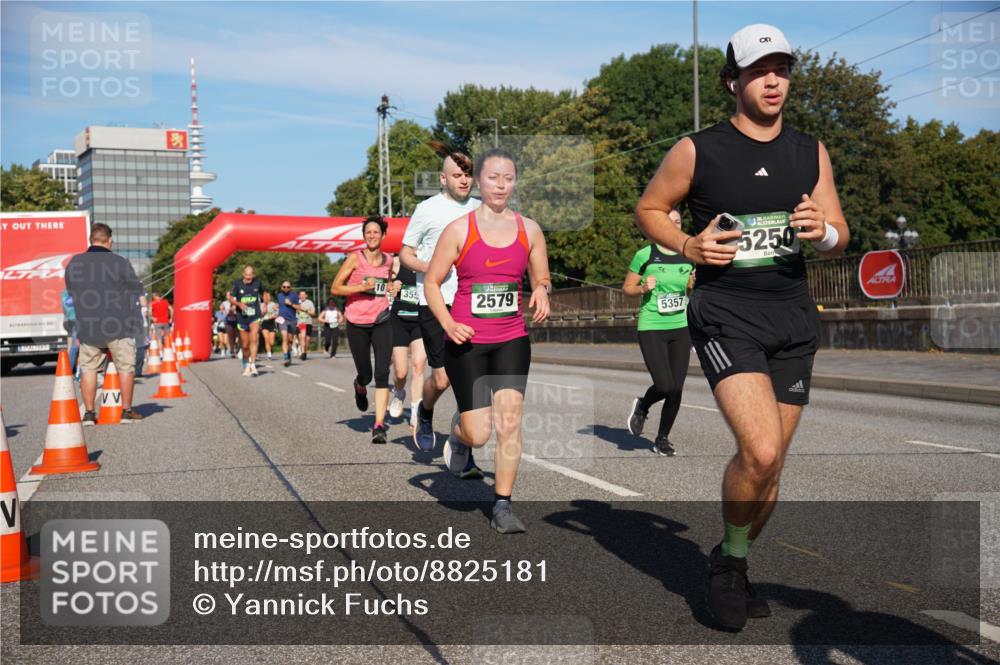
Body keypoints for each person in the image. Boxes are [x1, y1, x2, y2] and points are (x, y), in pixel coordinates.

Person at [635, 24, 849, 631]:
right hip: (727, 315)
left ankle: (733, 555)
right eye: (759, 70)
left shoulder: (810, 151)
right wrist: (687, 245)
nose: (773, 79)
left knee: (772, 464)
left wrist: (821, 232)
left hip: (792, 316)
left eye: (781, 67)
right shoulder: (698, 149)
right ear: (733, 81)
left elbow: (839, 235)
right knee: (758, 449)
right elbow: (649, 208)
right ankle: (729, 567)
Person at [425, 148, 551, 533]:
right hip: (467, 341)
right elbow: (432, 282)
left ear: (515, 182)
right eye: (493, 178)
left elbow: (541, 276)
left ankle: (502, 505)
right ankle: (459, 436)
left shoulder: (529, 229)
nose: (501, 185)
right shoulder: (459, 230)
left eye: (508, 178)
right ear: (479, 182)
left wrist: (542, 290)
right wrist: (447, 323)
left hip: (512, 337)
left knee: (510, 421)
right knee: (479, 432)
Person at [400, 142, 480, 451]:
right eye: (457, 174)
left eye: (468, 174)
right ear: (443, 178)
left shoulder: (479, 209)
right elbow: (405, 254)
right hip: (434, 300)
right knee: (443, 378)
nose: (464, 180)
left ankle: (464, 442)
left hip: (470, 302)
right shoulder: (427, 209)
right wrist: (431, 267)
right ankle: (426, 410)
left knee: (470, 377)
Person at [624, 209, 695, 456]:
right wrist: (643, 287)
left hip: (680, 327)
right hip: (652, 326)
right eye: (669, 222)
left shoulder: (688, 254)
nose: (674, 225)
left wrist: (692, 284)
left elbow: (690, 285)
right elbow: (627, 288)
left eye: (678, 221)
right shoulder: (646, 255)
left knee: (677, 387)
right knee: (664, 385)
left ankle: (662, 439)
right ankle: (643, 405)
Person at [64, 223, 145, 424]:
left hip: (88, 325)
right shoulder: (119, 262)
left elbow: (71, 290)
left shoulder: (75, 263)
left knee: (89, 368)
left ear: (91, 240)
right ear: (109, 240)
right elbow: (135, 290)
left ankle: (89, 413)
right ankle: (126, 411)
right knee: (126, 367)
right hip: (117, 325)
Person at [332, 216, 395, 444]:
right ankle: (359, 385)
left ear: (383, 235)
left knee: (382, 373)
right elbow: (336, 287)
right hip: (357, 321)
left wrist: (391, 289)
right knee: (366, 374)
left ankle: (379, 425)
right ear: (363, 235)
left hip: (382, 318)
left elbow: (386, 286)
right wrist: (361, 286)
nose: (371, 236)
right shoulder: (354, 258)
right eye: (368, 232)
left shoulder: (388, 260)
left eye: (376, 232)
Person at [388, 256, 426, 427]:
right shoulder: (397, 262)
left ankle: (416, 411)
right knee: (401, 372)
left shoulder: (431, 261)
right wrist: (391, 285)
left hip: (421, 321)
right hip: (400, 321)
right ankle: (399, 392)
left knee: (418, 366)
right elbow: (383, 282)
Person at [228, 265, 264, 377]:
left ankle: (253, 365)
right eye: (247, 275)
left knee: (254, 338)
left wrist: (265, 304)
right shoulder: (237, 284)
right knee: (244, 345)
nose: (249, 277)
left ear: (253, 274)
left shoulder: (258, 282)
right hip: (242, 317)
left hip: (255, 316)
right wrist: (239, 304)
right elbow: (230, 298)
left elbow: (264, 294)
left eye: (251, 275)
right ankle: (247, 363)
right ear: (243, 274)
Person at [276, 281, 300, 367]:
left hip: (292, 319)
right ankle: (286, 357)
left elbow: (299, 307)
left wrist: (291, 304)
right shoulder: (279, 295)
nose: (286, 288)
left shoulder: (294, 295)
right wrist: (276, 307)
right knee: (284, 338)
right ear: (281, 287)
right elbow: (279, 305)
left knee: (290, 340)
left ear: (291, 287)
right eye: (284, 287)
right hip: (282, 319)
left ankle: (288, 353)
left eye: (288, 287)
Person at [60, 288, 79, 378]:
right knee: (76, 347)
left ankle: (66, 369)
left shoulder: (65, 291)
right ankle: (69, 371)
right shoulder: (75, 290)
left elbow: (65, 308)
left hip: (68, 321)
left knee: (71, 346)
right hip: (75, 321)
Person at [296, 290, 316, 361]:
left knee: (307, 340)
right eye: (301, 295)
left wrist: (306, 311)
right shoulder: (296, 302)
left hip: (308, 323)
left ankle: (304, 352)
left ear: (306, 296)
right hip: (300, 323)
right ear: (299, 296)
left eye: (303, 295)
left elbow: (314, 313)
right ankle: (302, 352)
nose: (302, 296)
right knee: (302, 337)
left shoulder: (310, 302)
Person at [260, 291, 278, 361]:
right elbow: (258, 315)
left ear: (270, 298)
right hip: (264, 323)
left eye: (268, 296)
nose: (266, 298)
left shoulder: (273, 304)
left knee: (272, 342)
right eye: (265, 297)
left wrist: (273, 316)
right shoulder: (261, 305)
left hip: (272, 323)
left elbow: (277, 314)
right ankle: (269, 354)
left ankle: (270, 349)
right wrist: (262, 313)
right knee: (266, 339)